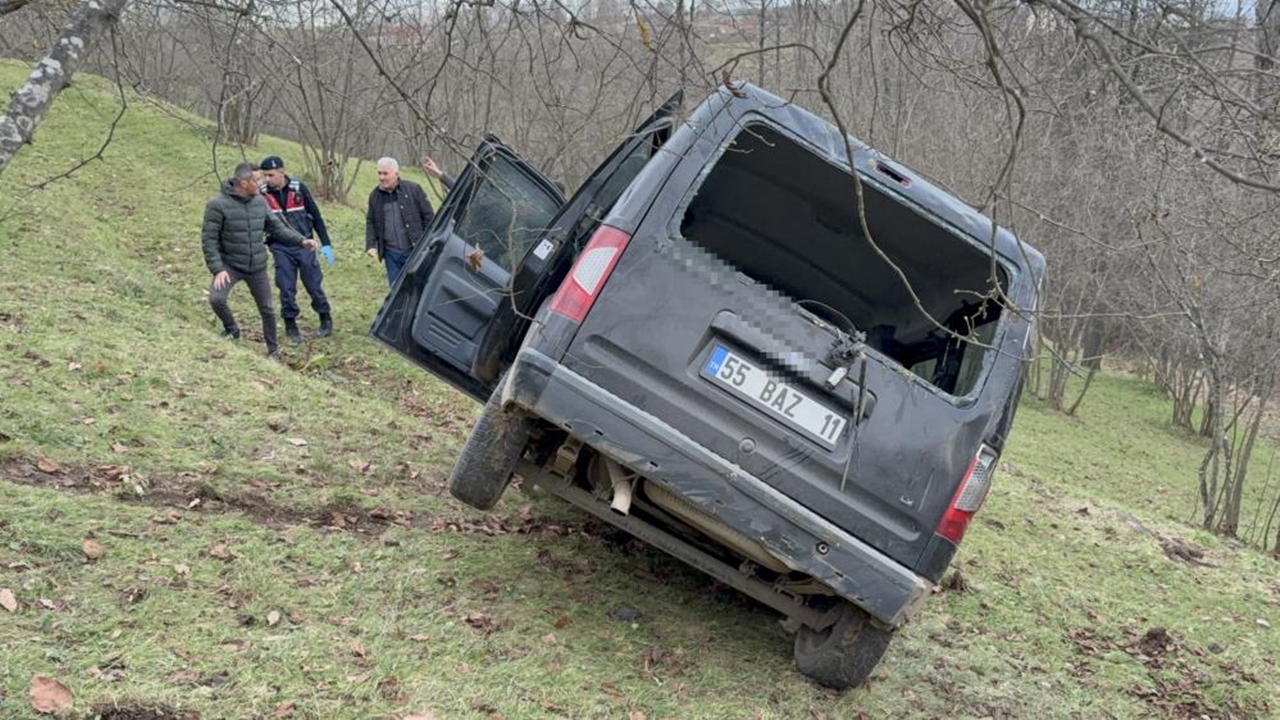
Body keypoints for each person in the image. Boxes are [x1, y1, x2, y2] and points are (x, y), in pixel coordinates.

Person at [202, 162, 318, 359]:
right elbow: (209, 240)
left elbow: (277, 228)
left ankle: (273, 351)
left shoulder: (260, 202)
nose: (262, 183)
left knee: (267, 309)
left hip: (257, 266)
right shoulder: (217, 205)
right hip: (230, 265)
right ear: (243, 183)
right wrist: (218, 269)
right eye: (257, 180)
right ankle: (232, 329)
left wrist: (301, 240)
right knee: (216, 298)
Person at [258, 155, 335, 342]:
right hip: (280, 246)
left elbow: (315, 216)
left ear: (282, 172)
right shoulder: (262, 194)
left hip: (305, 244)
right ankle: (290, 324)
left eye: (271, 175)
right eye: (264, 175)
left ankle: (325, 317)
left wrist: (326, 244)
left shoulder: (299, 189)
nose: (267, 179)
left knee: (313, 284)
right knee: (286, 286)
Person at [365, 157, 437, 286]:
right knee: (396, 291)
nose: (381, 177)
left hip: (415, 251)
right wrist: (371, 245)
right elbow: (371, 221)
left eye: (385, 173)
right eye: (379, 173)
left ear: (396, 174)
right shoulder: (374, 196)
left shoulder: (414, 190)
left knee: (419, 288)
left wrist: (428, 243)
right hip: (391, 255)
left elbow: (429, 218)